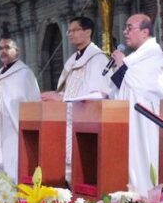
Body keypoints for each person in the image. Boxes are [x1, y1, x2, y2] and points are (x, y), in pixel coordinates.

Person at [40, 16, 111, 182]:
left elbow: (100, 94)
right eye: (69, 31)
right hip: (67, 121)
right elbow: (65, 91)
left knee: (82, 171)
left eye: (74, 30)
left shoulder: (98, 59)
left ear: (87, 32)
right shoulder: (72, 61)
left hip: (86, 125)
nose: (70, 34)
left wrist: (62, 99)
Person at [108, 14, 163, 194]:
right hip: (129, 121)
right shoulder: (136, 57)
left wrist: (121, 64)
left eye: (129, 28)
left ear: (145, 32)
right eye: (125, 28)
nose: (124, 32)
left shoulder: (153, 54)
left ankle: (144, 200)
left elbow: (143, 88)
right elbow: (123, 86)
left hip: (144, 123)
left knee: (142, 164)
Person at [0, 38, 41, 180]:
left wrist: (1, 101)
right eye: (0, 48)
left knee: (13, 160)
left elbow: (28, 101)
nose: (3, 51)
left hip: (13, 126)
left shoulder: (24, 74)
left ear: (16, 51)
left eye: (7, 47)